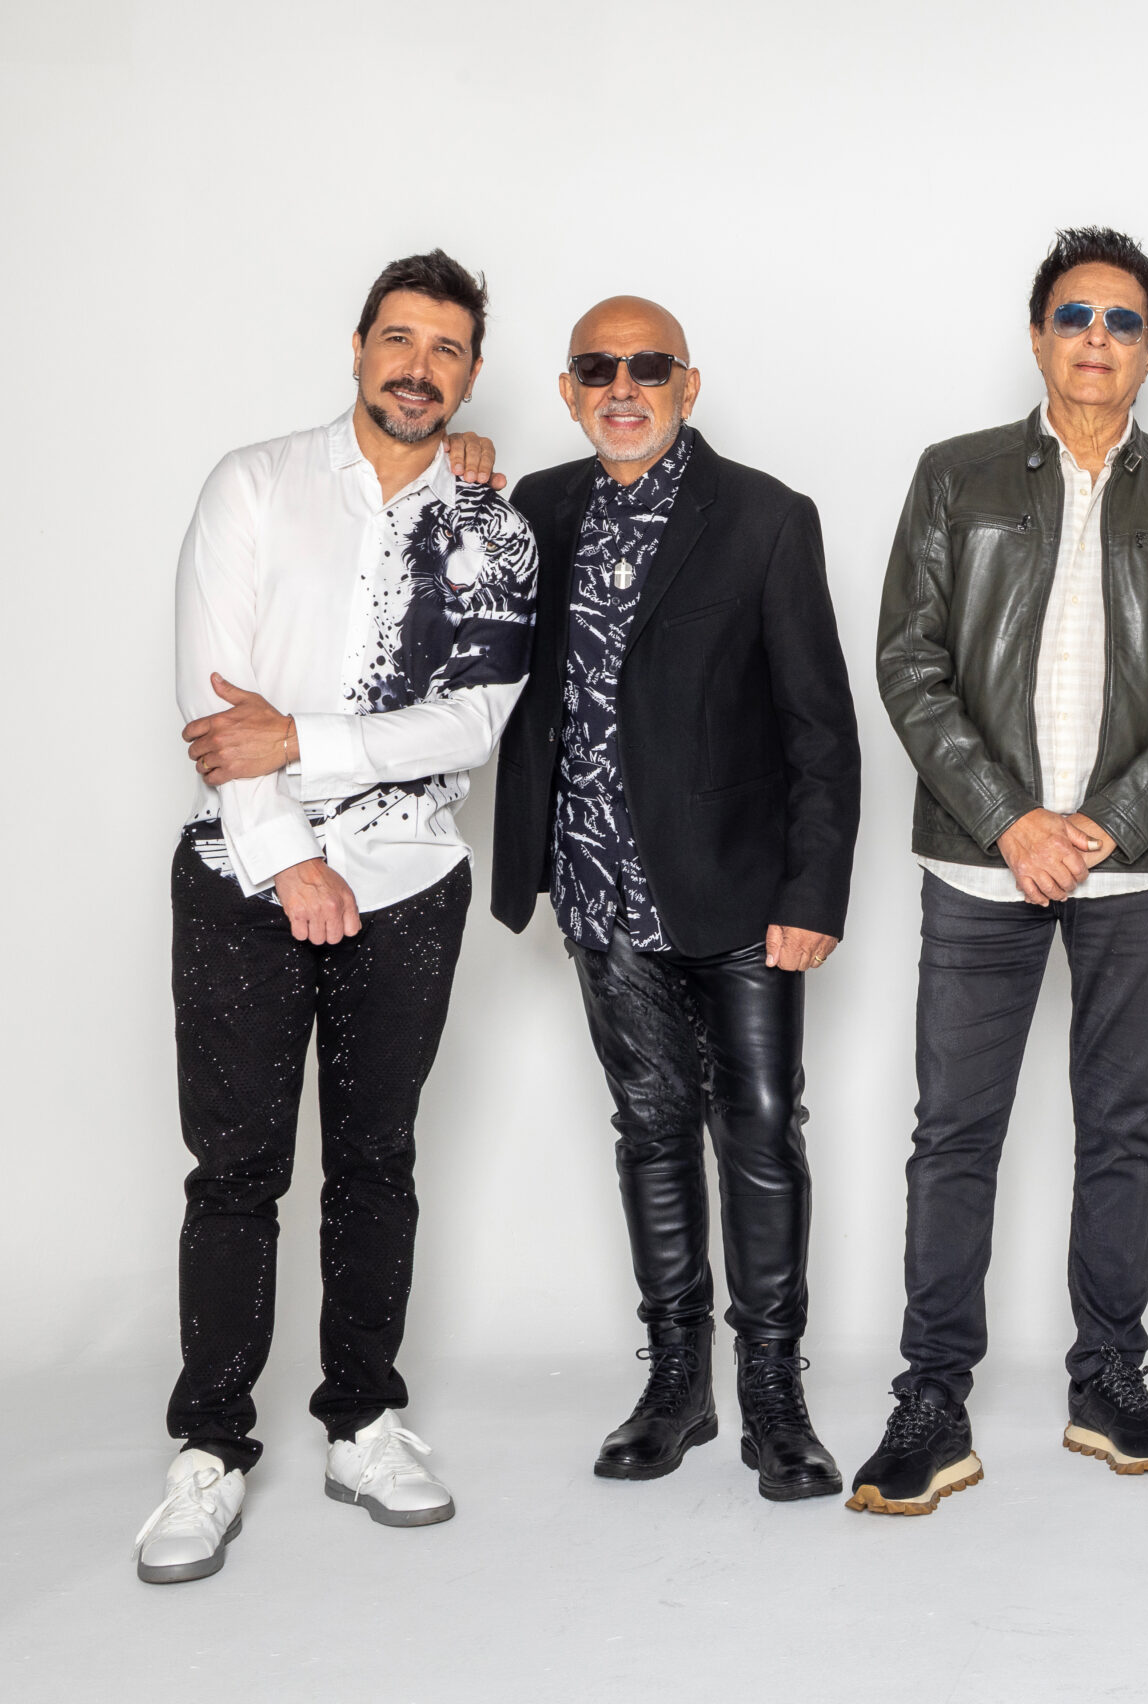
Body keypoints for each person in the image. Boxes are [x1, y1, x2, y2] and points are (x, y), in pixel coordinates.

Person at [139, 250, 534, 1583]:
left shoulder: (490, 527)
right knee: (235, 1172)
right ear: (358, 347)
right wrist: (290, 860)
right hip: (244, 882)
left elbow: (471, 723)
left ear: (470, 373)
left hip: (411, 886)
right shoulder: (252, 484)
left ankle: (362, 1421)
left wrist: (300, 739)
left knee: (377, 1163)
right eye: (400, 339)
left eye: (447, 348)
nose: (420, 367)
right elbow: (212, 707)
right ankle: (208, 1448)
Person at [859, 228, 1148, 1514]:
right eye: (1074, 315)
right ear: (1037, 336)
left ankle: (1109, 1381)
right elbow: (908, 662)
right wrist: (1009, 821)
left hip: (1135, 871)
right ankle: (931, 1398)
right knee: (953, 1137)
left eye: (1122, 321)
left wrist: (1108, 824)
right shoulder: (955, 475)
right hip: (981, 868)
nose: (1096, 338)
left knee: (1120, 1131)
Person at [490, 297, 861, 1500]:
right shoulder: (536, 508)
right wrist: (460, 481)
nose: (623, 386)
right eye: (597, 368)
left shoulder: (763, 517)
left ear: (687, 386)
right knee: (650, 1128)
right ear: (567, 391)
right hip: (595, 884)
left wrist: (813, 892)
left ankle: (774, 1395)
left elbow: (820, 729)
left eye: (648, 367)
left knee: (760, 1128)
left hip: (741, 892)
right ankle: (677, 1386)